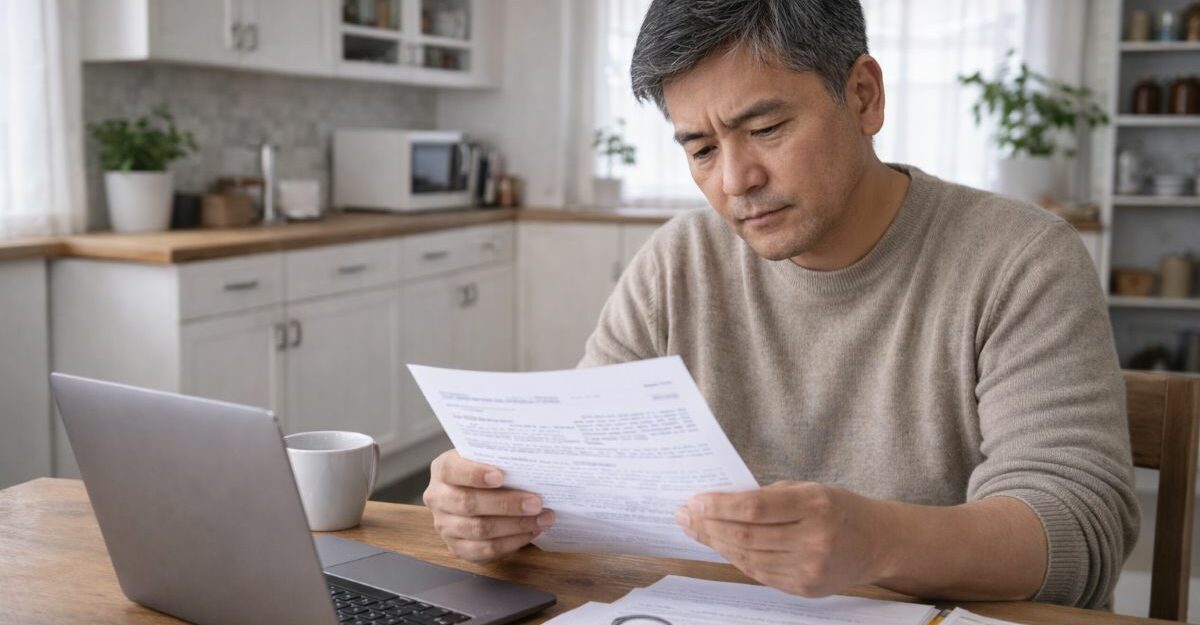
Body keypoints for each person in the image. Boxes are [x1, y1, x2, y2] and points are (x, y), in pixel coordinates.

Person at [422, 0, 1139, 610]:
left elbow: (1079, 528)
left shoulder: (1020, 258)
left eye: (765, 129)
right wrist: (494, 506)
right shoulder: (679, 262)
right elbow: (580, 465)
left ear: (864, 97)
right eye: (700, 148)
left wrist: (879, 542)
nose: (736, 179)